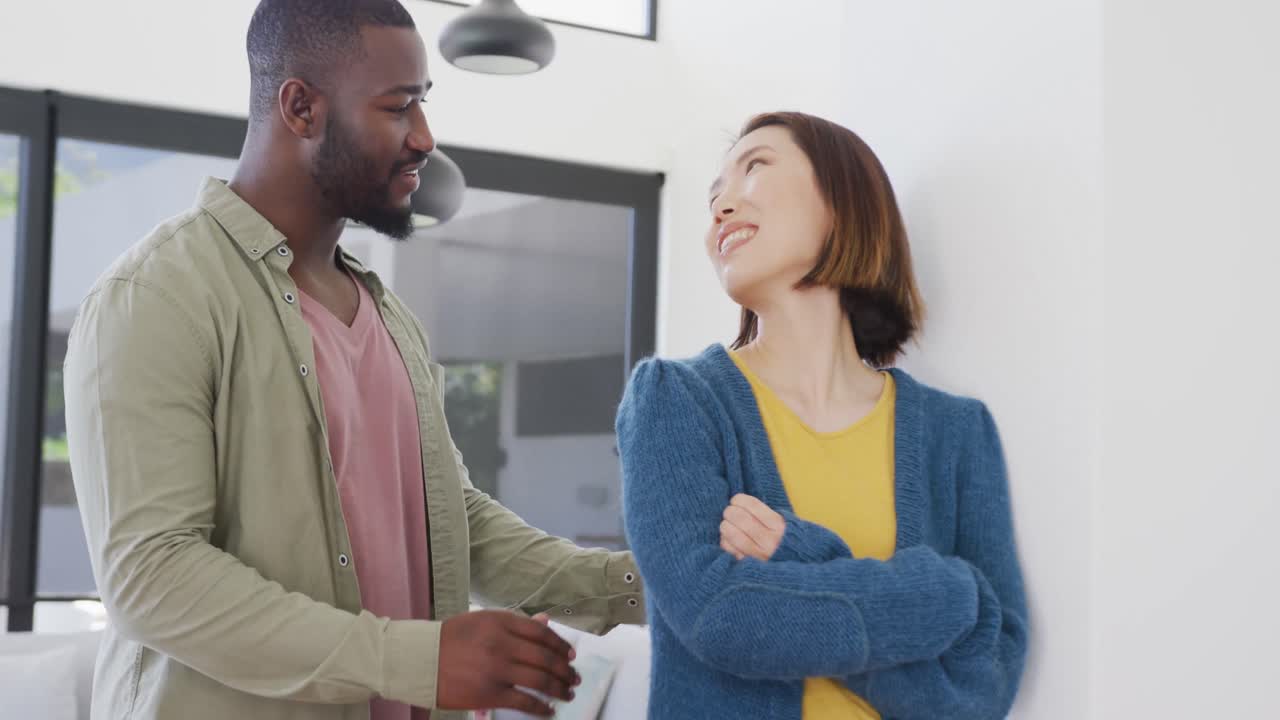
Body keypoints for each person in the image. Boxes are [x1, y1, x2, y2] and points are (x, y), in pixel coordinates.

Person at [62, 2, 644, 719]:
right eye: (398, 108)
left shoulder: (391, 317)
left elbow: (450, 517)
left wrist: (645, 585)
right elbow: (153, 575)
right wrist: (415, 660)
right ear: (300, 107)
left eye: (422, 105)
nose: (424, 138)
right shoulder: (155, 296)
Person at [616, 111, 1028, 719]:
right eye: (713, 197)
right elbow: (720, 619)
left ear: (842, 199)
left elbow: (982, 687)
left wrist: (799, 557)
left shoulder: (958, 432)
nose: (721, 207)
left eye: (754, 167)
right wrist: (947, 590)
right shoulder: (673, 401)